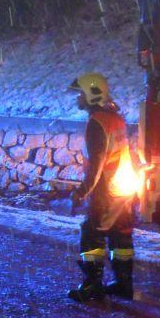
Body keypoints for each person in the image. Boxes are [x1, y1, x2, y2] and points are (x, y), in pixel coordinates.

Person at [67, 72, 136, 302]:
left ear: (91, 95)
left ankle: (92, 285)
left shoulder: (96, 123)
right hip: (125, 187)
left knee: (92, 233)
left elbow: (97, 163)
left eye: (79, 94)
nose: (77, 99)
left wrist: (81, 191)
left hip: (106, 189)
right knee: (121, 235)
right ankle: (124, 283)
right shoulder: (116, 118)